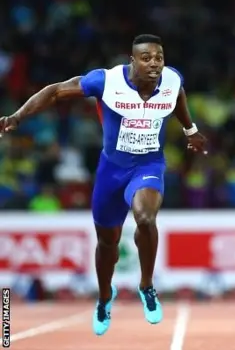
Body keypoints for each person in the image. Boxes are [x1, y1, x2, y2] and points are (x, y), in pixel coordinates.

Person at [0, 34, 207, 336]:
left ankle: (147, 286)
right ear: (132, 60)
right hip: (112, 171)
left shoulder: (172, 80)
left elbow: (178, 97)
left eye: (159, 57)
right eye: (146, 57)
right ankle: (104, 298)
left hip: (148, 165)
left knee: (146, 218)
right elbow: (56, 91)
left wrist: (191, 130)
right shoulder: (106, 81)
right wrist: (17, 118)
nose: (154, 63)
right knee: (107, 244)